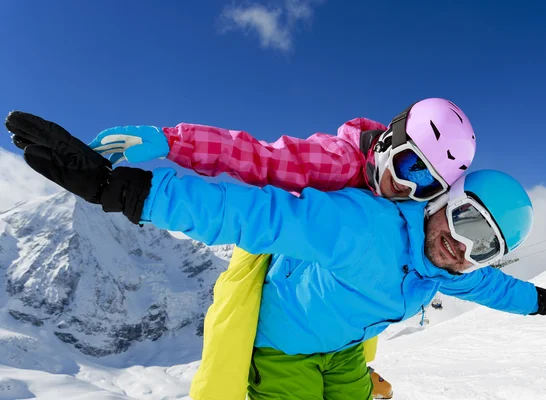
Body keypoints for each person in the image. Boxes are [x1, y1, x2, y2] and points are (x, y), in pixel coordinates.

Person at [6, 111, 546, 400]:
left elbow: (491, 288)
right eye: (465, 224)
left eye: (483, 247)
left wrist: (541, 300)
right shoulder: (358, 225)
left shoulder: (448, 267)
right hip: (284, 354)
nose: (460, 247)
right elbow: (250, 211)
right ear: (449, 202)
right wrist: (125, 190)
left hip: (340, 356)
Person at [87, 98, 476, 399]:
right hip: (282, 256)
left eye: (428, 185)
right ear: (392, 140)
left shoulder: (406, 206)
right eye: (412, 168)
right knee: (238, 319)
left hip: (341, 290)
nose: (408, 189)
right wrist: (172, 142)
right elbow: (257, 157)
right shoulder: (337, 163)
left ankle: (347, 369)